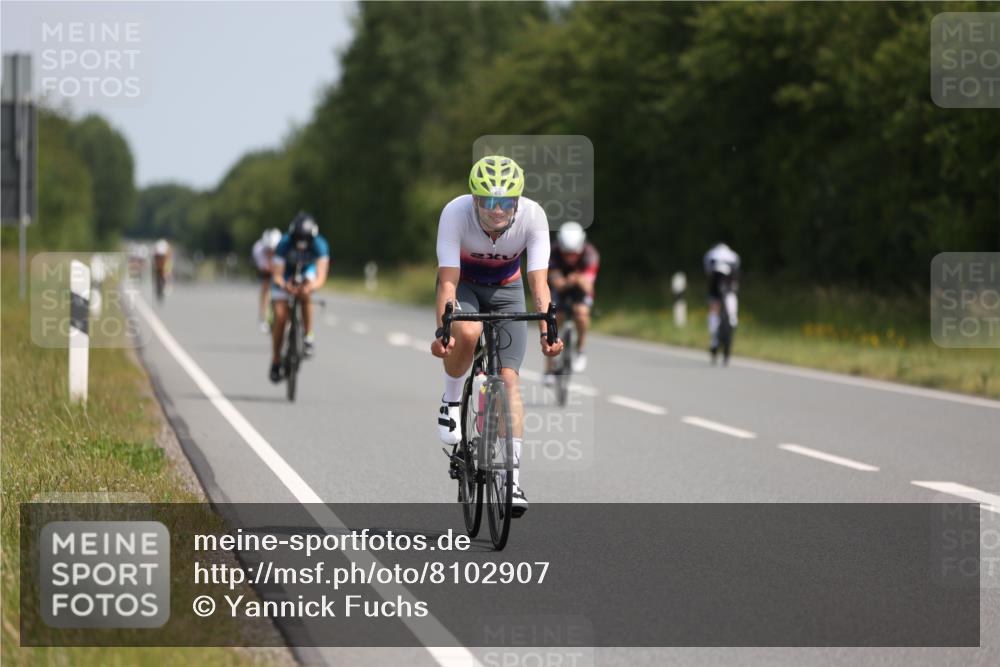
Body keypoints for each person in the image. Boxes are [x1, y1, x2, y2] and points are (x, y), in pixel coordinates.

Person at [432, 155, 563, 516]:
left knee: (509, 383)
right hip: (467, 286)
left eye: (505, 202)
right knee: (469, 330)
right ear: (474, 199)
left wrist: (546, 328)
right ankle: (452, 399)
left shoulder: (534, 217)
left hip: (508, 288)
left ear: (517, 201)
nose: (496, 210)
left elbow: (539, 282)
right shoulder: (455, 213)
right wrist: (444, 330)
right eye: (488, 201)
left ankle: (513, 480)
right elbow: (447, 280)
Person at [269, 213, 329, 383]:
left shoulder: (320, 244)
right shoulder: (284, 243)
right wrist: (284, 285)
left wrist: (311, 286)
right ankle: (276, 360)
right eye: (298, 240)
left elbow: (321, 276)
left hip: (306, 273)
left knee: (306, 294)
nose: (302, 244)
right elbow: (277, 275)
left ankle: (308, 336)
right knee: (280, 317)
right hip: (286, 276)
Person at [545, 221, 599, 379]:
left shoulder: (591, 254)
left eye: (574, 253)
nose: (570, 258)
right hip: (559, 289)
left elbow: (588, 287)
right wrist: (575, 278)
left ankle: (580, 349)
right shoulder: (552, 252)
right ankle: (549, 369)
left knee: (581, 314)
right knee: (554, 321)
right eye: (567, 253)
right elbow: (558, 284)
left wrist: (574, 279)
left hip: (580, 291)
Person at [703, 241, 741, 360]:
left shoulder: (710, 254)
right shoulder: (733, 256)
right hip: (730, 283)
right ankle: (733, 319)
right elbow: (737, 270)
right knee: (731, 299)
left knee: (714, 306)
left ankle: (714, 336)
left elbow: (707, 271)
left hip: (715, 283)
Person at [252, 228, 282, 333]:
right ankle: (263, 316)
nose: (271, 252)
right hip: (267, 269)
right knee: (265, 286)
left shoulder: (284, 247)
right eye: (269, 250)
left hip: (281, 267)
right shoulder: (258, 249)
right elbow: (265, 268)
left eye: (273, 249)